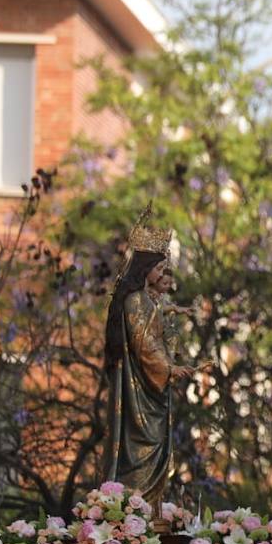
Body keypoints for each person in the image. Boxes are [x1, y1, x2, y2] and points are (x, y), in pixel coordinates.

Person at [102, 212, 199, 507]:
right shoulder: (134, 300)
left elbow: (159, 333)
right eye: (158, 268)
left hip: (152, 387)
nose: (162, 275)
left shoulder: (148, 299)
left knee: (157, 442)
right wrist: (169, 368)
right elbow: (143, 343)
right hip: (139, 387)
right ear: (145, 268)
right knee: (142, 442)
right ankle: (133, 507)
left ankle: (150, 507)